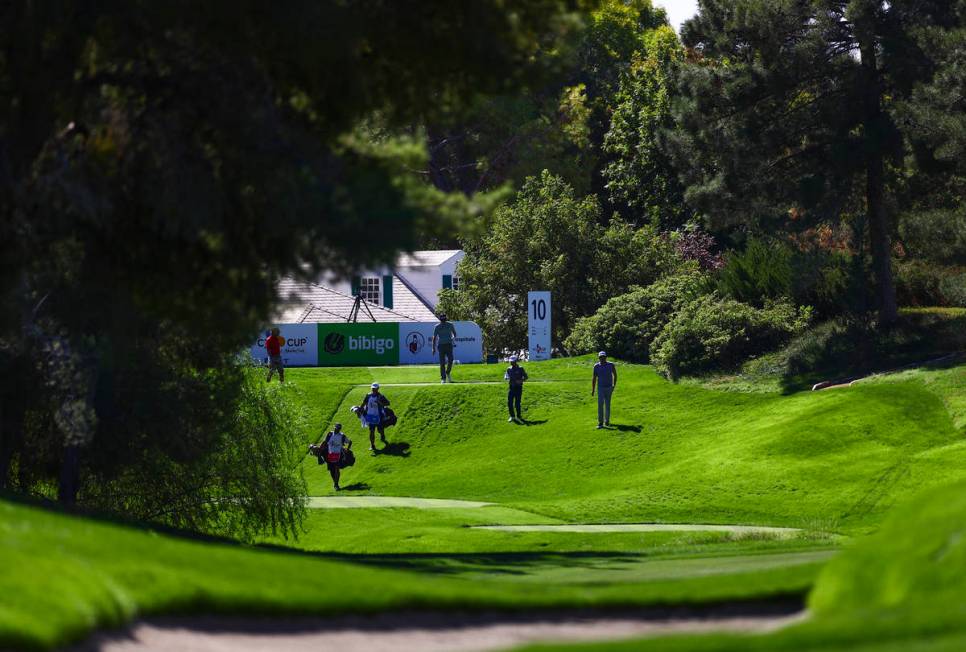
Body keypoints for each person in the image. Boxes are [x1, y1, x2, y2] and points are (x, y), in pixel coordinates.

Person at [359, 382, 390, 453]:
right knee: (371, 431)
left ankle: (382, 435)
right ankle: (372, 445)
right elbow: (363, 403)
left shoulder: (381, 396)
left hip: (379, 416)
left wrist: (379, 402)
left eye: (375, 389)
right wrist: (360, 410)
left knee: (380, 430)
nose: (373, 390)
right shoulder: (368, 396)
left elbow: (388, 403)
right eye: (372, 388)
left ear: (378, 389)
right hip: (370, 416)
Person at [319, 423, 351, 491]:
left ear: (340, 429)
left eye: (338, 428)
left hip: (338, 454)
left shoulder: (342, 436)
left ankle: (336, 484)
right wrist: (320, 449)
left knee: (337, 469)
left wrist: (347, 449)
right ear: (334, 428)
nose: (336, 429)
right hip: (330, 454)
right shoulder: (330, 434)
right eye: (336, 428)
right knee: (331, 470)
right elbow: (324, 442)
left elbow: (350, 442)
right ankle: (335, 483)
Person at [591, 351, 617, 429]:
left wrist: (613, 386)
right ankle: (600, 422)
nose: (602, 358)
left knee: (607, 405)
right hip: (600, 388)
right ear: (599, 358)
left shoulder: (611, 365)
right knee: (600, 405)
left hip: (609, 387)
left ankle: (607, 421)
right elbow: (594, 378)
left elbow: (615, 375)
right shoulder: (596, 366)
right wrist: (593, 390)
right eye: (600, 357)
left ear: (606, 357)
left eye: (603, 357)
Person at [432, 313, 457, 383]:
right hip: (441, 345)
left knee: (451, 359)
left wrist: (453, 338)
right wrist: (433, 348)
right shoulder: (437, 326)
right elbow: (434, 337)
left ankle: (447, 372)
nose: (443, 319)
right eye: (442, 318)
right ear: (440, 319)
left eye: (444, 318)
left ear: (445, 318)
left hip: (449, 344)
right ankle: (443, 378)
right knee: (442, 362)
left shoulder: (450, 324)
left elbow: (454, 334)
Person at [504, 355, 528, 422]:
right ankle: (512, 416)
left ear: (515, 361)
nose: (511, 363)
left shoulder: (521, 368)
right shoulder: (509, 369)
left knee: (517, 403)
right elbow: (506, 375)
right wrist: (506, 378)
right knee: (509, 402)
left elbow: (526, 377)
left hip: (518, 388)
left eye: (512, 361)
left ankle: (519, 416)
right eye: (510, 361)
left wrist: (521, 380)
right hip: (511, 388)